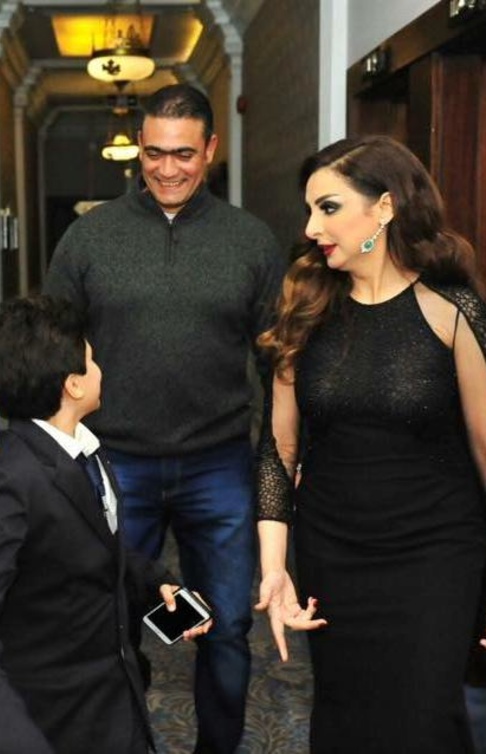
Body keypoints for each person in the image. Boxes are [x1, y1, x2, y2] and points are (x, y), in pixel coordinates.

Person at [254, 135, 486, 754]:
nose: (311, 228)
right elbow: (278, 452)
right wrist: (274, 569)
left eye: (328, 208)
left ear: (384, 207)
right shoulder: (305, 311)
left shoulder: (453, 312)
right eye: (308, 210)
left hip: (433, 552)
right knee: (347, 718)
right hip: (333, 550)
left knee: (421, 720)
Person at [44, 83, 283, 754]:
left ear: (210, 149)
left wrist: (282, 458)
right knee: (111, 621)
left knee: (227, 624)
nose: (167, 168)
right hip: (116, 462)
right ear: (139, 151)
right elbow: (55, 348)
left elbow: (278, 361)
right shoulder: (89, 238)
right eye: (154, 153)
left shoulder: (250, 241)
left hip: (219, 464)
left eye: (183, 153)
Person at [0, 295, 210, 754]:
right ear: (73, 385)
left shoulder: (85, 449)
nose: (101, 369)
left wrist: (152, 581)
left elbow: (83, 550)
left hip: (114, 696)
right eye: (93, 360)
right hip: (52, 720)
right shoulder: (12, 479)